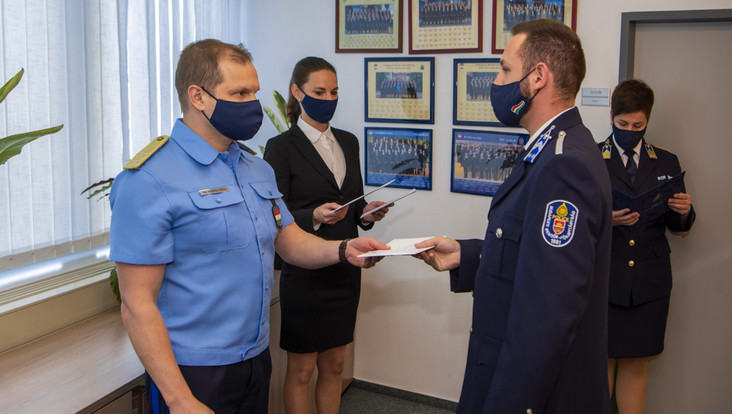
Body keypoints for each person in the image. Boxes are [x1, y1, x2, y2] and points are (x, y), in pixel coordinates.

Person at [108, 40, 387, 414]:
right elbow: (136, 304)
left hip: (255, 356)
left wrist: (342, 250)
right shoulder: (149, 179)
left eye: (254, 91)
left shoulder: (255, 167)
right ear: (198, 97)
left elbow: (289, 241)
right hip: (192, 370)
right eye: (239, 93)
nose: (252, 103)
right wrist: (179, 399)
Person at [415, 19, 613, 413]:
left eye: (506, 68)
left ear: (539, 76)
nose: (498, 80)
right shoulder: (552, 148)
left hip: (538, 391)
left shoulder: (562, 166)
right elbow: (534, 253)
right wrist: (468, 255)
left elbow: (547, 314)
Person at [263, 57, 391, 414]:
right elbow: (276, 215)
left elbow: (355, 202)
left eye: (334, 91)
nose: (328, 98)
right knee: (302, 370)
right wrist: (314, 217)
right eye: (319, 91)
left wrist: (367, 213)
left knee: (334, 365)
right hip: (305, 273)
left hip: (345, 270)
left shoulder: (349, 142)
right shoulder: (281, 147)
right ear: (297, 92)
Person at [602, 79, 695, 414]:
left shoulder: (666, 162)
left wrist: (683, 213)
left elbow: (675, 225)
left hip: (649, 280)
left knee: (636, 362)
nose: (630, 131)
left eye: (638, 125)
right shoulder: (593, 159)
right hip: (606, 277)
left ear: (648, 120)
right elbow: (574, 220)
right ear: (611, 116)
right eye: (623, 124)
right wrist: (606, 220)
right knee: (602, 363)